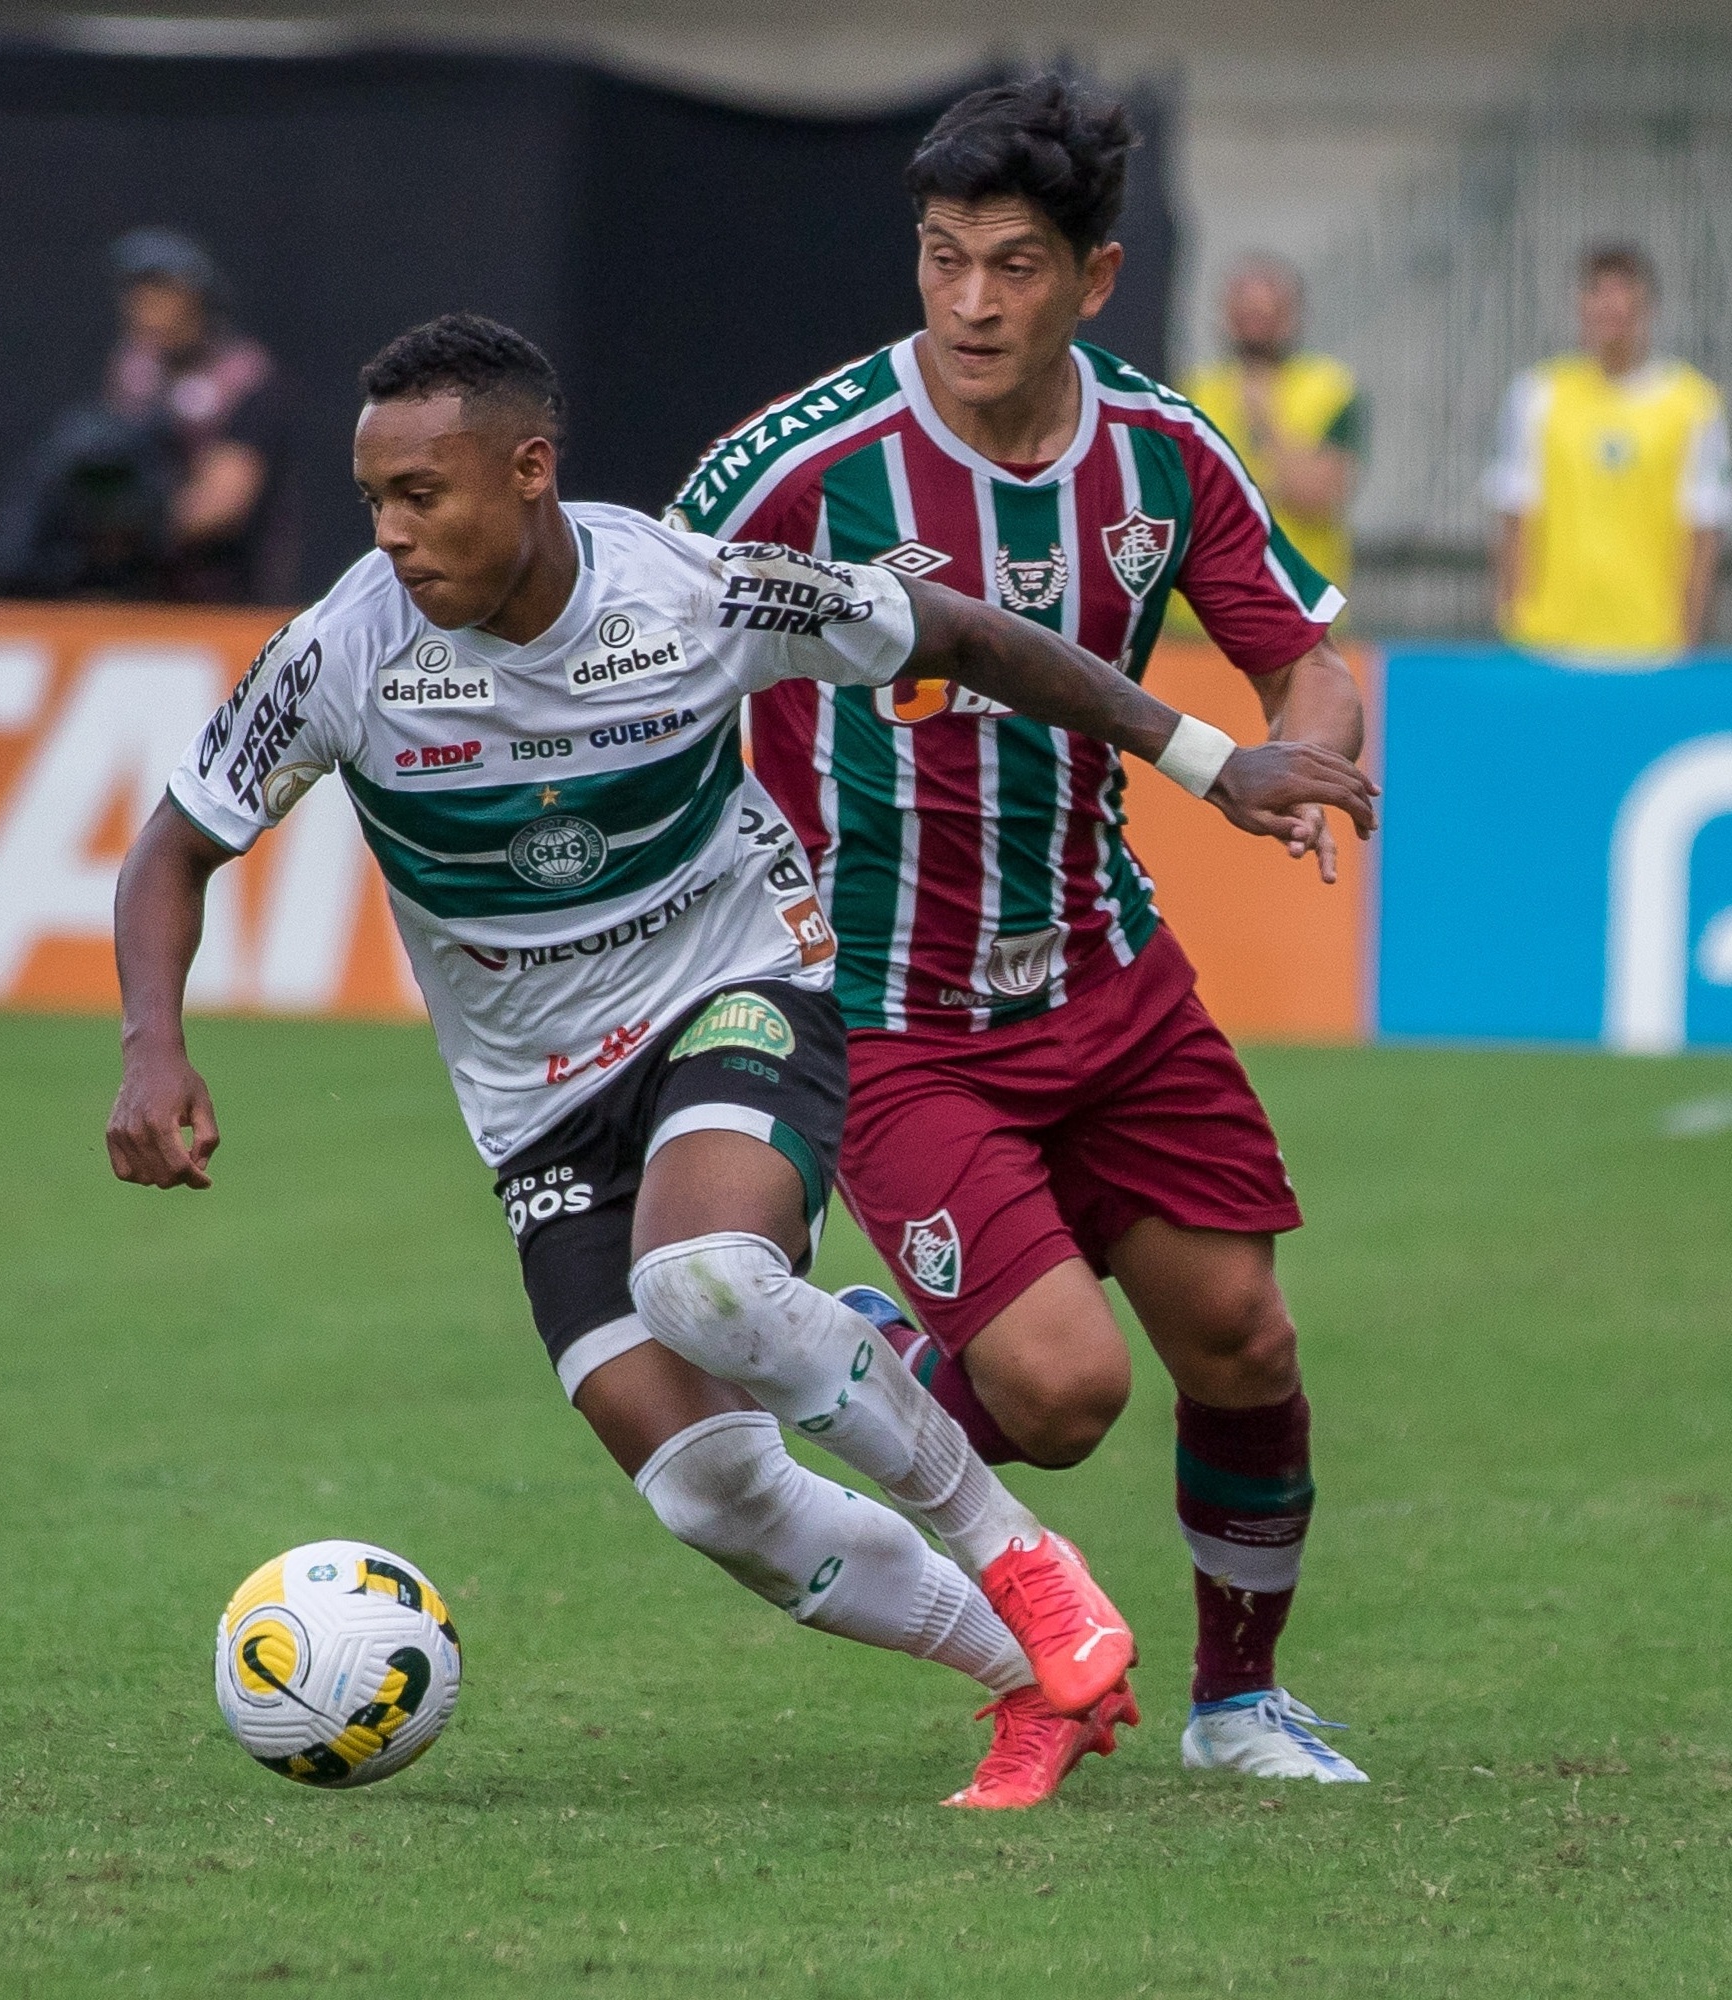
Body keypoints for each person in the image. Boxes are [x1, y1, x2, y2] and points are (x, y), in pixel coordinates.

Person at [106, 314, 1375, 1807]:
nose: (389, 535)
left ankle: (1023, 1565)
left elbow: (964, 633)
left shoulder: (691, 590)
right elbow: (174, 847)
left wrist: (1213, 764)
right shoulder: (340, 654)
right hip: (536, 1107)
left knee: (698, 1280)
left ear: (529, 473)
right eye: (373, 499)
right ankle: (1033, 1679)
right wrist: (151, 1046)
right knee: (708, 1489)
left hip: (740, 983)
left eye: (421, 496)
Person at [668, 78, 1377, 1783]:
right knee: (1060, 1396)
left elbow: (1304, 661)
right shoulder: (801, 463)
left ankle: (1234, 1705)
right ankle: (911, 1355)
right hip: (889, 1016)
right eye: (939, 260)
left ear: (1092, 277)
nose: (969, 301)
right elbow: (639, 656)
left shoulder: (1157, 450)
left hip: (1106, 977)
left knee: (1242, 1337)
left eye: (1009, 265)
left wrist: (1313, 765)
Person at [0, 228, 298, 603]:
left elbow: (222, 505)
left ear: (197, 299)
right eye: (138, 296)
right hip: (141, 594)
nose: (147, 310)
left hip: (221, 596)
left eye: (162, 294)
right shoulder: (134, 372)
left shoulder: (243, 379)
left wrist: (134, 527)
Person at [1487, 242, 1728, 664]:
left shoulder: (1693, 404)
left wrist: (1686, 634)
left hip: (1650, 644)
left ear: (1647, 307)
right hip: (1549, 640)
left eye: (1624, 298)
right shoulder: (1538, 395)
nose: (1611, 310)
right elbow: (1514, 515)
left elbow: (1703, 529)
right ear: (1581, 305)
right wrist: (1513, 621)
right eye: (1598, 295)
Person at [1180, 254, 1364, 620]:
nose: (1255, 328)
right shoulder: (1194, 389)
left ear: (1292, 316)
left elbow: (1317, 497)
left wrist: (1264, 421)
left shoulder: (1330, 388)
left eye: (1267, 315)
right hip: (1197, 619)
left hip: (1298, 611)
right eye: (1245, 315)